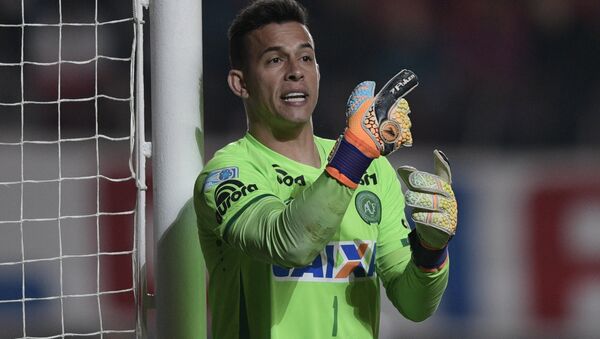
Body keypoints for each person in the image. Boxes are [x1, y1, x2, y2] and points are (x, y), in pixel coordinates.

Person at [193, 0, 458, 338]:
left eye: (306, 58)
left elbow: (414, 305)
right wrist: (356, 151)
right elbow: (290, 244)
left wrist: (431, 251)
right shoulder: (227, 174)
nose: (295, 71)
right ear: (240, 83)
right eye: (275, 60)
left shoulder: (373, 171)